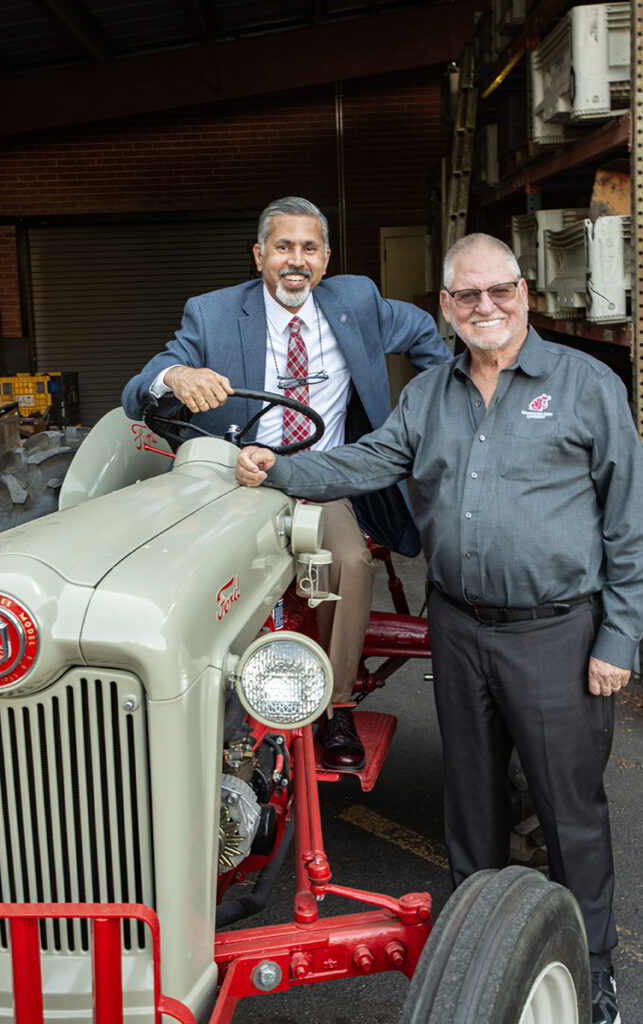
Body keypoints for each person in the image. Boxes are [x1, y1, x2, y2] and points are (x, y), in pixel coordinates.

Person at [235, 232, 643, 1024]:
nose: (484, 307)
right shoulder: (428, 395)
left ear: (523, 292)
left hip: (556, 633)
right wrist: (275, 466)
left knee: (569, 816)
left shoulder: (586, 385)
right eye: (466, 296)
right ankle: (476, 963)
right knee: (471, 806)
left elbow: (628, 521)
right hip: (458, 629)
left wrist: (617, 639)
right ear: (445, 307)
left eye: (499, 292)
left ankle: (592, 973)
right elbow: (364, 461)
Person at [122, 196, 452, 770]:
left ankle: (339, 703)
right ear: (259, 256)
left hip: (321, 477)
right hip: (234, 480)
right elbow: (138, 390)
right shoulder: (213, 314)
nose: (295, 260)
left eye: (308, 248)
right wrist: (179, 374)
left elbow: (424, 331)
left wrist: (442, 409)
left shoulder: (358, 302)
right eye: (282, 247)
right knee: (189, 573)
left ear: (325, 258)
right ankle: (189, 698)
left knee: (349, 561)